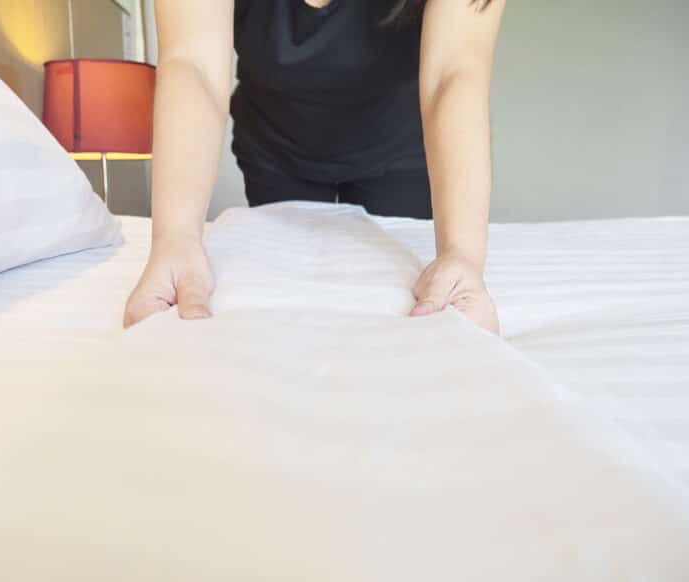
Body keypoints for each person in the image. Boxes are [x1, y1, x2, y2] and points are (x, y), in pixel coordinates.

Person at [124, 0, 505, 334]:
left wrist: (462, 255)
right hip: (277, 146)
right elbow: (195, 64)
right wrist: (176, 239)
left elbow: (453, 71)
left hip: (397, 145)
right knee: (290, 298)